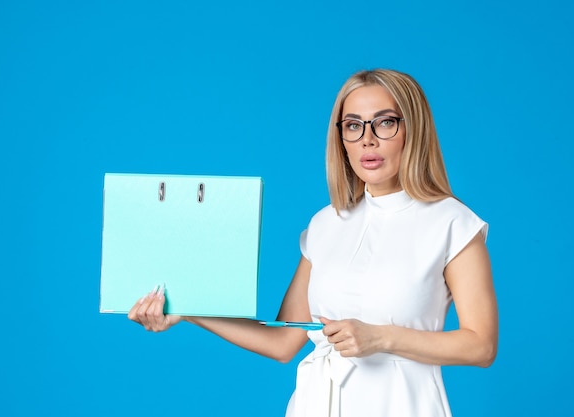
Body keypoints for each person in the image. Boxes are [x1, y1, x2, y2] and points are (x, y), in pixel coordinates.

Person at [129, 68, 498, 417]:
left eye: (385, 122)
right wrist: (190, 311)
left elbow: (481, 345)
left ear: (413, 130)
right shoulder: (327, 223)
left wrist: (382, 338)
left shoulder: (451, 223)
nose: (367, 139)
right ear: (341, 138)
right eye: (353, 125)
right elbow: (283, 342)